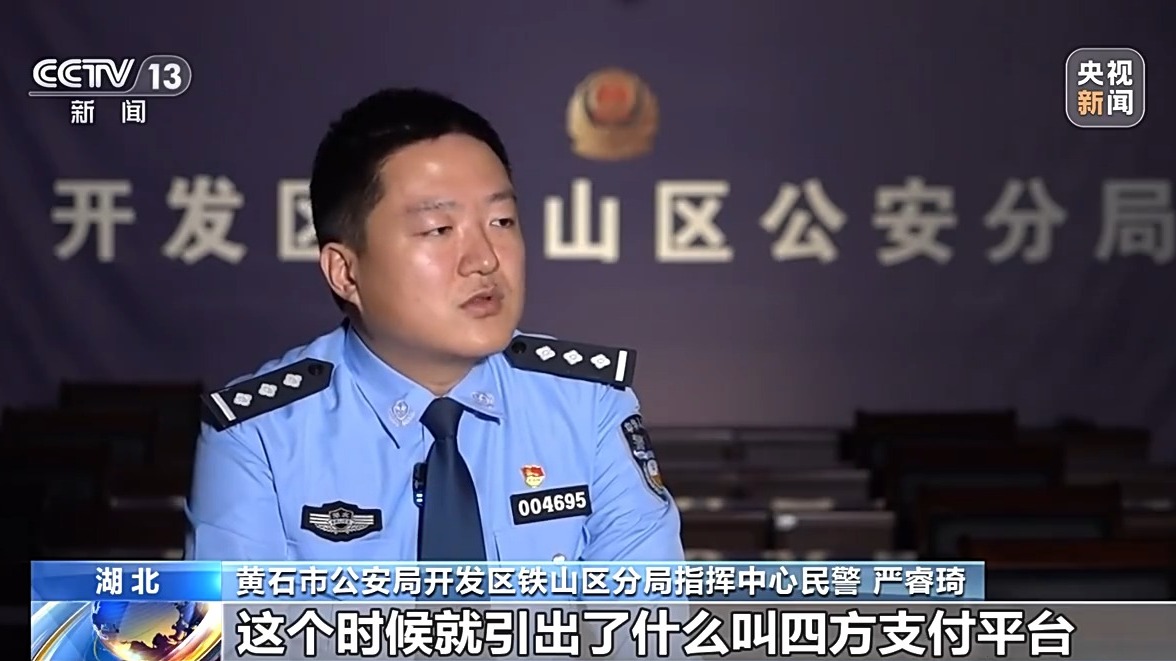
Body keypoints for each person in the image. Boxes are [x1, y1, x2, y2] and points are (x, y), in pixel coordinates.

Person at [185, 88, 684, 564]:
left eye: (502, 222)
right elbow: (226, 622)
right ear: (346, 272)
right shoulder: (258, 436)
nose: (485, 260)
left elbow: (647, 610)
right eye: (439, 229)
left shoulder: (588, 404)